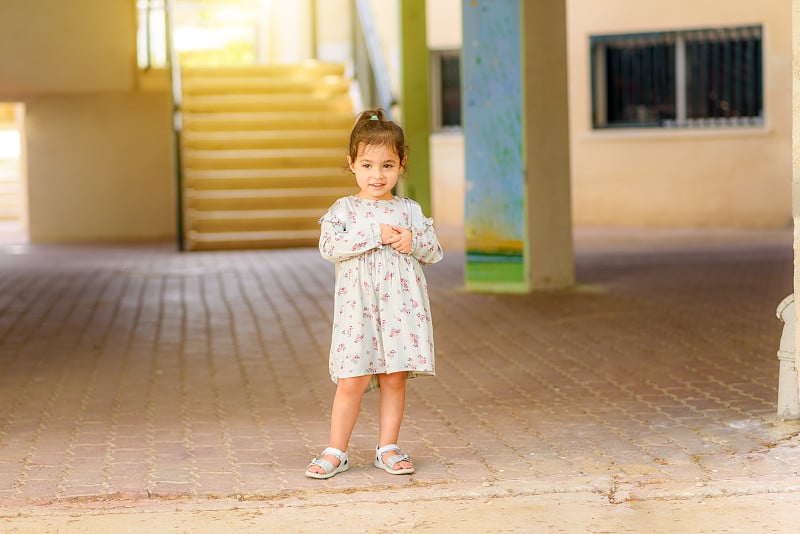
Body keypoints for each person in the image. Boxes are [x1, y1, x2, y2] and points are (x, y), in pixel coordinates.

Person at [306, 108, 444, 479]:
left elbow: (434, 251)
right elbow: (330, 247)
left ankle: (388, 448)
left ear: (402, 164)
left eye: (387, 165)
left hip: (401, 310)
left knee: (393, 376)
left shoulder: (409, 210)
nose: (377, 175)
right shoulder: (344, 210)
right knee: (352, 378)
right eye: (367, 165)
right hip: (358, 310)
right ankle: (337, 450)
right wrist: (375, 235)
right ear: (351, 164)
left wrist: (412, 240)